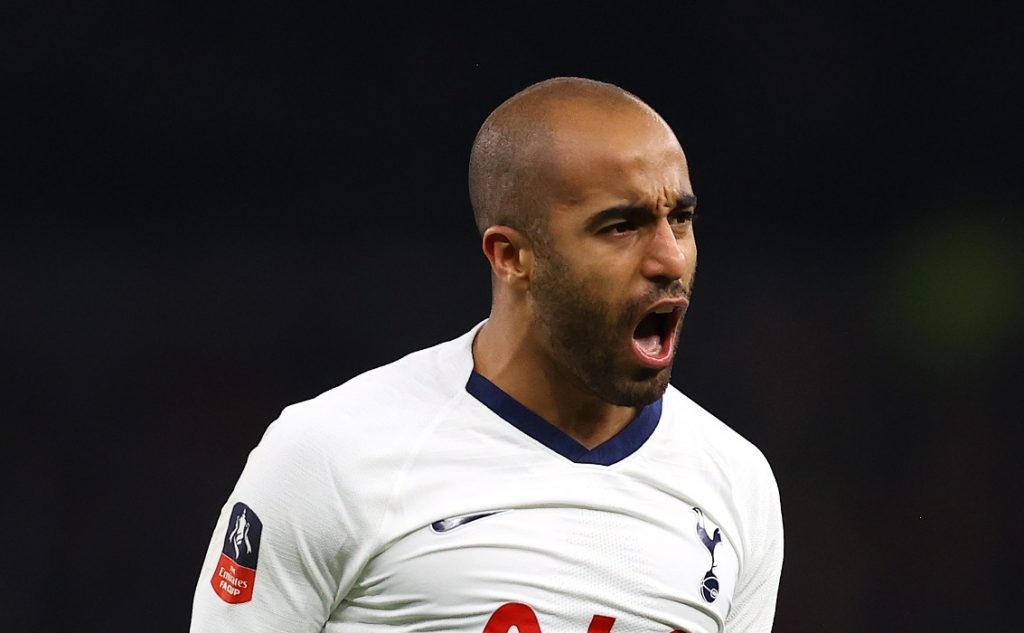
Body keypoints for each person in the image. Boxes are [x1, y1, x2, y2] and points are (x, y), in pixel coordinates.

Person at [190, 76, 783, 633]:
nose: (670, 259)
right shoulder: (330, 455)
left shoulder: (736, 481)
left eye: (679, 219)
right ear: (510, 256)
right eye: (620, 227)